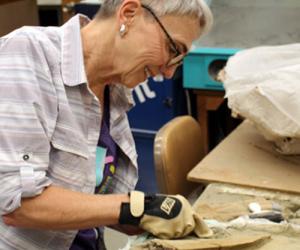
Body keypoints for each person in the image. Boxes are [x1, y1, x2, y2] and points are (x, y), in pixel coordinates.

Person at [0, 0, 213, 249]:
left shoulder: (115, 92)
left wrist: (155, 214)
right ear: (129, 14)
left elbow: (99, 203)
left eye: (177, 61)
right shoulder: (28, 53)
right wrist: (136, 207)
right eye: (172, 48)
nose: (168, 72)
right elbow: (18, 203)